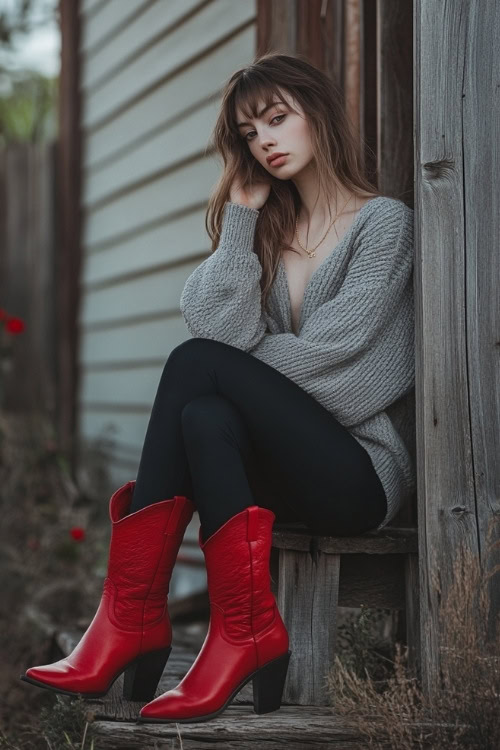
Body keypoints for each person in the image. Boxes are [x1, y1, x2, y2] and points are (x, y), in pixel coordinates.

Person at [21, 52, 415, 724]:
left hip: (356, 478)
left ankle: (129, 621)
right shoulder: (263, 231)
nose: (263, 139)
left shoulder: (384, 226)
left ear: (317, 114)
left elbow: (342, 372)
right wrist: (240, 221)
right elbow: (212, 322)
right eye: (247, 131)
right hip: (275, 479)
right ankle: (238, 633)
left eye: (276, 118)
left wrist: (245, 361)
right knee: (203, 410)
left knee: (200, 368)